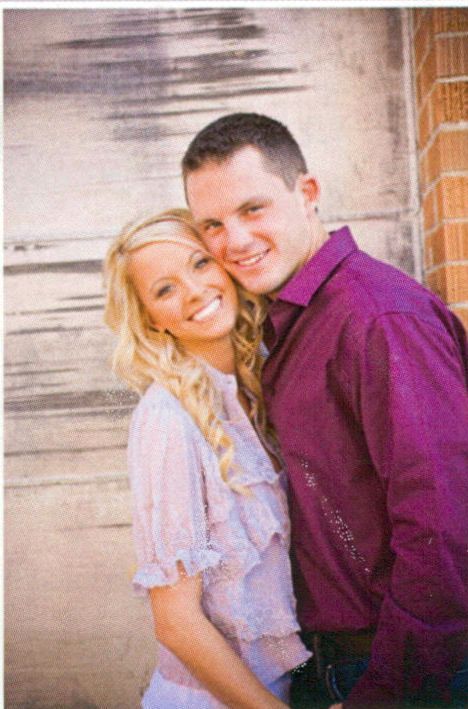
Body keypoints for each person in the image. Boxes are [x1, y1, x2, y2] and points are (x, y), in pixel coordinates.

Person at [181, 113, 468, 708]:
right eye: (213, 224)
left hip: (400, 674)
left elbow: (445, 527)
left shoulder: (377, 318)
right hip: (336, 663)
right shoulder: (295, 321)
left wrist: (384, 694)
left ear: (307, 192)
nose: (235, 241)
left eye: (253, 209)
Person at [103, 209, 311, 708]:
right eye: (165, 290)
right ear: (150, 319)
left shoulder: (255, 388)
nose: (195, 291)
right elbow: (176, 623)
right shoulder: (167, 419)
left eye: (200, 263)